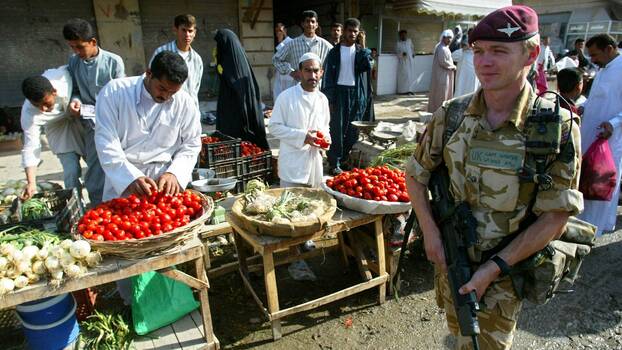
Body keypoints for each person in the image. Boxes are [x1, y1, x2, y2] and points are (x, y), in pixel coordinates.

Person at [406, 5, 582, 349]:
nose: (484, 62)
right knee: (460, 336)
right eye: (479, 51)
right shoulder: (452, 114)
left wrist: (494, 268)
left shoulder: (554, 128)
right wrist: (429, 232)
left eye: (499, 51)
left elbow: (556, 215)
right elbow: (415, 176)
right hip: (450, 264)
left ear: (530, 53)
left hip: (503, 276)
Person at [95, 50, 201, 202]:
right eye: (162, 89)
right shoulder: (114, 92)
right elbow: (105, 141)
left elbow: (192, 143)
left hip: (164, 184)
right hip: (122, 180)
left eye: (173, 92)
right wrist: (130, 177)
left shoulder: (184, 102)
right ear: (149, 73)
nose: (166, 96)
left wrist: (174, 173)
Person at [63, 18, 124, 205]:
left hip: (116, 124)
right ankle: (99, 207)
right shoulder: (74, 63)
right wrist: (75, 102)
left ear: (93, 42)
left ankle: (122, 204)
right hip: (90, 126)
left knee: (119, 164)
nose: (76, 52)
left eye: (80, 47)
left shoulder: (114, 62)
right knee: (95, 170)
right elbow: (75, 91)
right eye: (73, 47)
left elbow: (122, 96)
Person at [578, 33, 622, 236]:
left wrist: (614, 124)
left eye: (595, 54)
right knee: (588, 177)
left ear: (609, 49)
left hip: (610, 138)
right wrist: (581, 107)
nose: (592, 59)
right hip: (591, 134)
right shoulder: (604, 68)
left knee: (603, 180)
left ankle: (596, 226)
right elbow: (596, 98)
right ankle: (584, 223)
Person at [20, 70, 85, 200]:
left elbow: (81, 87)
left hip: (79, 118)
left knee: (95, 165)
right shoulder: (28, 114)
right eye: (36, 105)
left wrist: (76, 100)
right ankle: (79, 208)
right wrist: (31, 183)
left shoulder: (62, 77)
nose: (42, 109)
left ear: (54, 91)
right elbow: (31, 146)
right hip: (58, 129)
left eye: (46, 103)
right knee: (71, 170)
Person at [268, 53, 330, 188]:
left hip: (315, 164)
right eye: (307, 70)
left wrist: (326, 139)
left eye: (315, 71)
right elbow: (274, 127)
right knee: (290, 205)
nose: (312, 75)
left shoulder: (322, 99)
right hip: (292, 164)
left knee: (314, 204)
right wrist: (302, 136)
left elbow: (325, 126)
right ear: (299, 73)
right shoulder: (286, 97)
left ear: (321, 73)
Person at [322, 18, 373, 175]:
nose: (352, 34)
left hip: (356, 94)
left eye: (355, 31)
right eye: (350, 30)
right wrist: (329, 99)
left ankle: (344, 160)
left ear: (359, 33)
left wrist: (363, 46)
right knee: (337, 128)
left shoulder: (360, 51)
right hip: (339, 94)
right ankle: (334, 162)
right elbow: (328, 77)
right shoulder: (334, 52)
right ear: (344, 31)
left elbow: (367, 66)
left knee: (353, 130)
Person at [214, 29, 270, 150]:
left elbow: (239, 91)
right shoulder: (232, 58)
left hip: (236, 112)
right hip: (232, 107)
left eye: (219, 44)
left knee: (235, 143)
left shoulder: (234, 63)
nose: (217, 47)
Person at [272, 10, 333, 92]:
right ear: (302, 24)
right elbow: (276, 59)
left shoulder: (325, 45)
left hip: (318, 88)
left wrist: (324, 74)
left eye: (312, 21)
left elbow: (335, 62)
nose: (310, 24)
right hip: (298, 86)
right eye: (307, 21)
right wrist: (291, 72)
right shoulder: (293, 43)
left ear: (316, 25)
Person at [149, 14, 203, 107]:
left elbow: (195, 90)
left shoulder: (197, 59)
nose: (187, 35)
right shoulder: (161, 52)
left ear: (195, 33)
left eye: (190, 31)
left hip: (188, 110)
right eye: (184, 30)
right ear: (175, 30)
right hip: (165, 110)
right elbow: (151, 81)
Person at [427, 29, 456, 113]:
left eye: (451, 38)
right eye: (448, 38)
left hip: (444, 74)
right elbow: (443, 62)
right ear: (443, 38)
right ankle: (439, 112)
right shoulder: (442, 48)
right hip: (442, 75)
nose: (450, 40)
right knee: (442, 93)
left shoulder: (444, 47)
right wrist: (453, 67)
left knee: (443, 93)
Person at [273, 22, 293, 100]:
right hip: (279, 75)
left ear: (285, 30)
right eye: (276, 31)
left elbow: (284, 56)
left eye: (280, 31)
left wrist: (281, 41)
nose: (278, 33)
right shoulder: (278, 43)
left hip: (289, 76)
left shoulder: (291, 42)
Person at [396, 30, 416, 95]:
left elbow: (412, 48)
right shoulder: (398, 43)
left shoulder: (409, 41)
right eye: (402, 35)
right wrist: (402, 54)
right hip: (403, 62)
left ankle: (410, 90)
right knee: (404, 76)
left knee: (410, 76)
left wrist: (413, 53)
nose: (404, 36)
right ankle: (402, 91)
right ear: (400, 36)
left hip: (410, 61)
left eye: (405, 35)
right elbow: (397, 53)